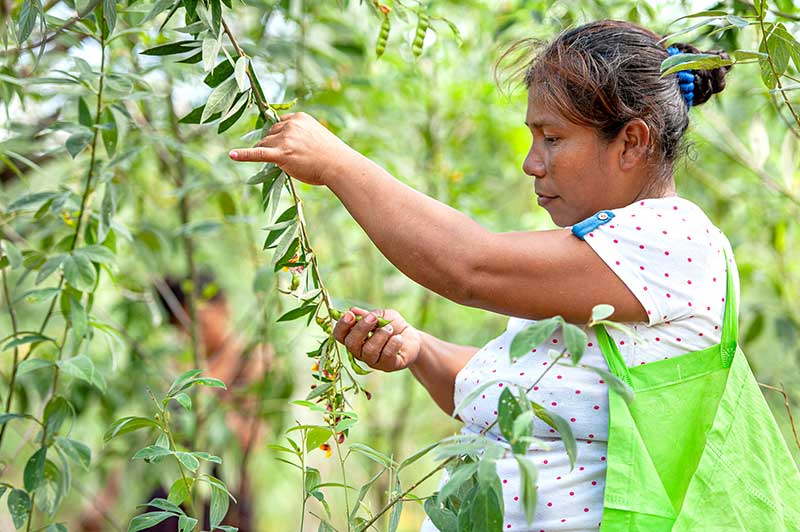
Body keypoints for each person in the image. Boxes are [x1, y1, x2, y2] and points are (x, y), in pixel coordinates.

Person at [228, 19, 738, 531]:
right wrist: (420, 349)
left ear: (630, 142)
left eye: (553, 138)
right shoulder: (602, 253)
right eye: (533, 137)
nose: (531, 163)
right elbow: (508, 400)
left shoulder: (673, 240)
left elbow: (469, 265)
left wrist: (337, 164)